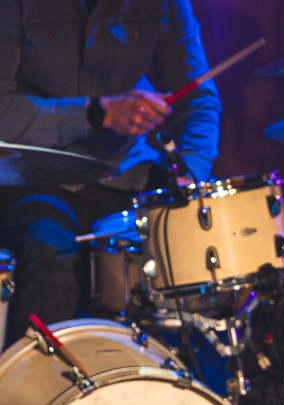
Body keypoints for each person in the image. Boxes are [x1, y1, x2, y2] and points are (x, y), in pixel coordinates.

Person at [0, 0, 220, 345]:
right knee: (51, 260)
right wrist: (95, 114)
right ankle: (36, 379)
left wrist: (189, 171)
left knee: (173, 256)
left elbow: (198, 101)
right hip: (31, 178)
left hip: (127, 175)